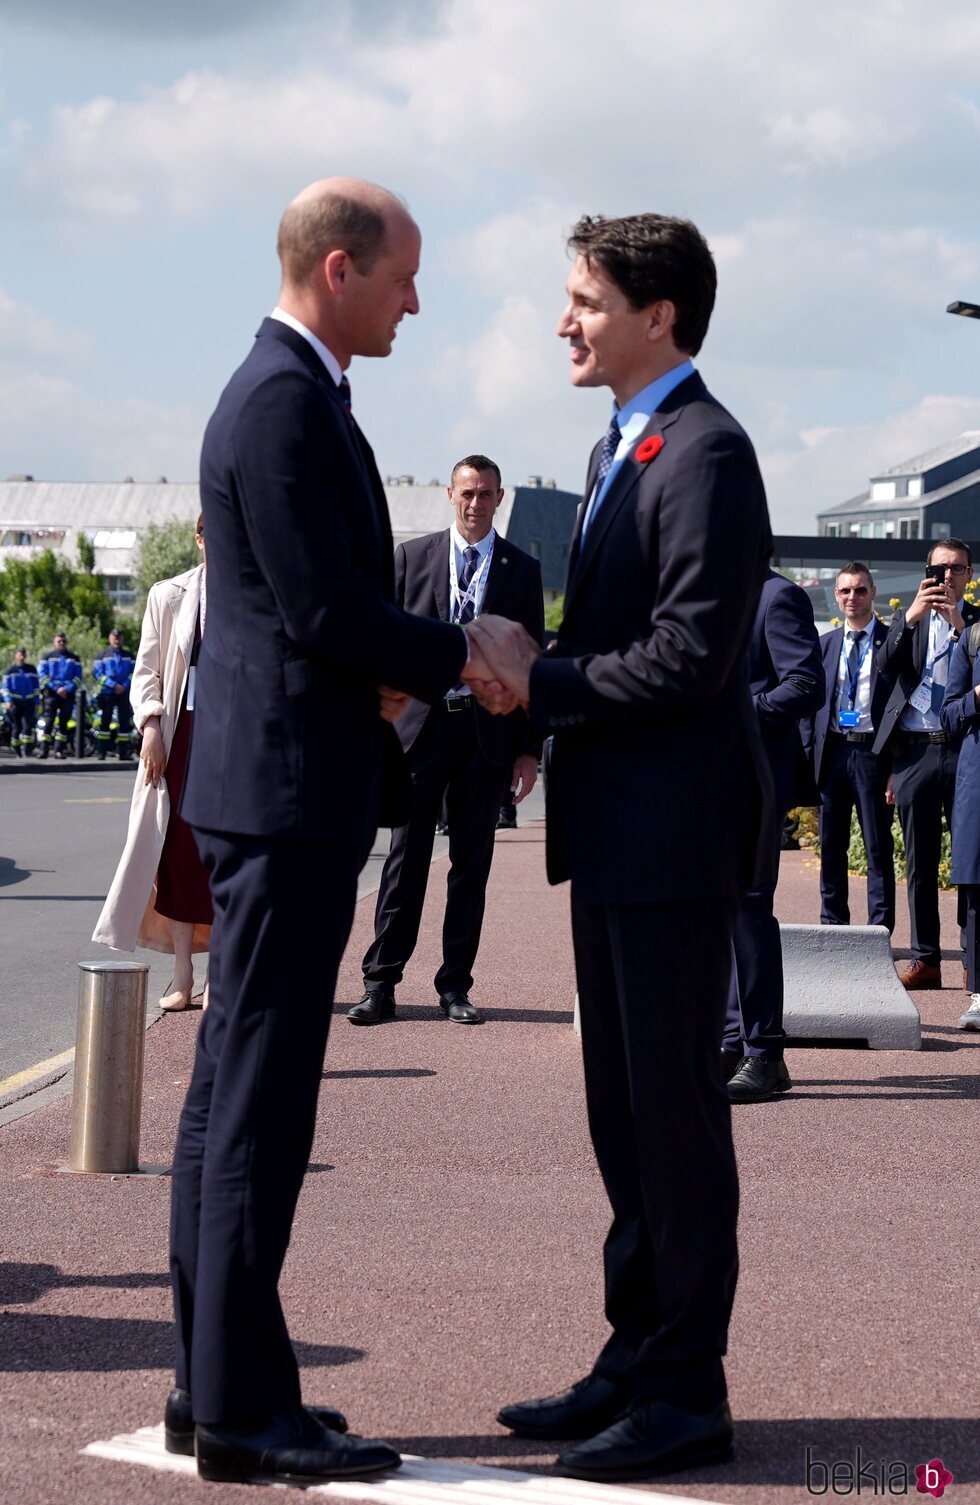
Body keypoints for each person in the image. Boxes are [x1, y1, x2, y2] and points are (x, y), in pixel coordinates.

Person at [169, 178, 475, 1487]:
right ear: (338, 268)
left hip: (271, 786)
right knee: (259, 1108)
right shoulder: (287, 402)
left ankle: (214, 1377)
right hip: (288, 796)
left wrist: (390, 665)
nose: (417, 297)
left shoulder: (282, 392)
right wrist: (466, 649)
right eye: (404, 273)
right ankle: (242, 1406)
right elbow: (325, 611)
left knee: (224, 1097)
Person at [470, 213, 773, 1480]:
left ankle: (684, 1386)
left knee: (672, 1116)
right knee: (623, 1113)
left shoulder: (702, 451)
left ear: (659, 312)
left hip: (671, 839)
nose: (562, 320)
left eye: (583, 298)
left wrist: (539, 681)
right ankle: (634, 1350)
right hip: (618, 838)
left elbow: (692, 653)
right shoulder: (621, 445)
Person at [351, 454, 544, 1026]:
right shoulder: (412, 558)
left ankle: (455, 985)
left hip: (487, 734)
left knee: (471, 865)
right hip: (419, 731)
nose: (475, 504)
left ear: (500, 498)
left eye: (485, 494)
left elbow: (531, 664)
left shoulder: (521, 569)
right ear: (449, 494)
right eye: (466, 493)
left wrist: (529, 749)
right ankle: (380, 983)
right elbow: (382, 641)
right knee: (405, 863)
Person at [92, 518, 213, 1011]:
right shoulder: (170, 594)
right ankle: (182, 972)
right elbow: (148, 668)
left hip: (237, 744)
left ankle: (221, 977)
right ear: (200, 539)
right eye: (214, 533)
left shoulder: (259, 595)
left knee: (227, 858)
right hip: (181, 738)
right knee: (180, 855)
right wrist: (151, 728)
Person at [723, 569, 823, 1104]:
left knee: (748, 908)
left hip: (756, 775)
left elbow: (806, 683)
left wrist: (736, 716)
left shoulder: (776, 594)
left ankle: (765, 1054)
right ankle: (728, 1041)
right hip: (703, 779)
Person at [874, 539, 980, 989]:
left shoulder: (975, 624)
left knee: (970, 858)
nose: (949, 577)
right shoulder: (910, 618)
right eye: (941, 568)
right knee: (920, 860)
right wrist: (912, 617)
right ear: (928, 570)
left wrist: (957, 625)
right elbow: (884, 667)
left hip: (964, 749)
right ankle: (925, 958)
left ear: (970, 576)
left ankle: (972, 955)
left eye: (958, 569)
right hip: (916, 748)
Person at [802, 563, 895, 933]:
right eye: (845, 591)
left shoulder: (891, 643)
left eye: (859, 590)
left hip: (872, 754)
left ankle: (880, 929)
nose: (852, 598)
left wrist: (895, 765)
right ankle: (833, 924)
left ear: (872, 593)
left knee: (877, 847)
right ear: (837, 597)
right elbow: (810, 705)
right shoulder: (824, 645)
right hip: (833, 754)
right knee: (831, 847)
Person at [940, 627, 980, 1030]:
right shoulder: (972, 640)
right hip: (978, 783)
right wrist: (977, 697)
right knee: (978, 892)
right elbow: (948, 715)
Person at [92, 628, 135, 761]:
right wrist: (113, 685)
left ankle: (124, 753)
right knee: (105, 723)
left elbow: (134, 673)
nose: (117, 639)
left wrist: (124, 686)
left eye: (119, 637)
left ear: (122, 639)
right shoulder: (102, 655)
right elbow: (98, 674)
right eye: (114, 637)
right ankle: (102, 752)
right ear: (110, 638)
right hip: (108, 693)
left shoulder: (129, 655)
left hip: (124, 693)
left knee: (124, 723)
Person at [37, 632, 82, 759]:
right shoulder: (47, 657)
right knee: (49, 721)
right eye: (59, 641)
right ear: (54, 642)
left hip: (68, 695)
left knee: (64, 723)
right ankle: (44, 750)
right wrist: (57, 689)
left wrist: (66, 689)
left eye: (64, 641)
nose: (61, 643)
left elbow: (78, 678)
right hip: (51, 694)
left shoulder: (74, 658)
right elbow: (43, 676)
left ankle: (59, 750)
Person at [2, 647, 40, 757]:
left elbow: (36, 687)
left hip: (29, 703)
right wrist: (8, 701)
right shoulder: (10, 670)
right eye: (20, 655)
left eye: (23, 655)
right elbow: (5, 688)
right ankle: (17, 750)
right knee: (16, 727)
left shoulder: (31, 669)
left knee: (27, 726)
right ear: (16, 655)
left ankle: (27, 751)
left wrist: (37, 702)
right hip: (15, 703)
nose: (22, 657)